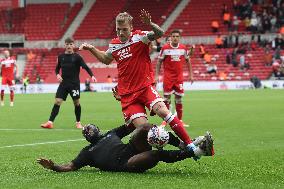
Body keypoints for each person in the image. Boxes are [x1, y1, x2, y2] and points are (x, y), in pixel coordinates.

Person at [79, 10, 207, 159]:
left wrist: (150, 23)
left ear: (131, 27)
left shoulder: (140, 37)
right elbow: (106, 59)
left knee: (164, 112)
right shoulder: (114, 45)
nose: (121, 33)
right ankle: (183, 146)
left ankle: (190, 145)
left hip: (145, 88)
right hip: (128, 96)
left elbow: (159, 33)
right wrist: (92, 49)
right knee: (146, 130)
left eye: (124, 29)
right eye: (118, 29)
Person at [37, 123, 214, 173]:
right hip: (127, 164)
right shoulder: (87, 152)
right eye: (86, 132)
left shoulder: (111, 133)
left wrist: (122, 97)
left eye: (90, 128)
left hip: (130, 148)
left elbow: (131, 123)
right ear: (86, 137)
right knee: (155, 154)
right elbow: (70, 166)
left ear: (97, 128)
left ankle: (186, 144)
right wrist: (53, 166)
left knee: (145, 127)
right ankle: (196, 151)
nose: (88, 131)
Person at [41, 37, 96, 129]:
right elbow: (57, 68)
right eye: (67, 44)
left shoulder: (77, 57)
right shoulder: (60, 57)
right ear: (65, 45)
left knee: (76, 103)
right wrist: (57, 74)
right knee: (57, 101)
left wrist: (92, 76)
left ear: (73, 45)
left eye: (71, 44)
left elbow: (86, 67)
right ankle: (50, 122)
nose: (69, 46)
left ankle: (78, 122)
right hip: (63, 84)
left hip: (74, 84)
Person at [155, 30, 193, 127]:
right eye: (173, 36)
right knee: (166, 99)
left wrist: (191, 74)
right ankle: (166, 121)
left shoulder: (183, 48)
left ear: (179, 38)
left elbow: (188, 60)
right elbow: (159, 62)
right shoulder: (165, 48)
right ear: (170, 37)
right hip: (168, 78)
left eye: (177, 36)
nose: (175, 38)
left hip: (179, 78)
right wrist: (156, 75)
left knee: (179, 99)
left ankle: (179, 121)